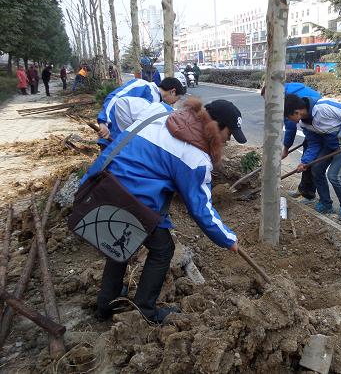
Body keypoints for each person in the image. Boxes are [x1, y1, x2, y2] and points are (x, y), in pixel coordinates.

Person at [81, 97, 247, 323]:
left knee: (123, 239)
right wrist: (228, 239)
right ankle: (146, 311)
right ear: (216, 126)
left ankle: (106, 303)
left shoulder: (160, 111)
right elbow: (201, 209)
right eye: (229, 134)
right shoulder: (194, 157)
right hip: (131, 196)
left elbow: (123, 106)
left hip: (101, 182)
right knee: (163, 249)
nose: (228, 141)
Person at [285, 95, 341, 221]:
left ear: (296, 112)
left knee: (334, 175)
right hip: (329, 144)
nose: (290, 121)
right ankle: (326, 204)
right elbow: (314, 143)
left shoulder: (323, 108)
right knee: (316, 169)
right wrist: (305, 162)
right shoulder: (304, 124)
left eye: (289, 117)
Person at [96, 77, 184, 150]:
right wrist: (103, 122)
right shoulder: (144, 85)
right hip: (110, 135)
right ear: (173, 92)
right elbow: (115, 97)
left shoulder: (158, 104)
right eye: (178, 98)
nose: (175, 102)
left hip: (123, 145)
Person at [280, 83, 322, 203]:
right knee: (306, 156)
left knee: (310, 160)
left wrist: (286, 149)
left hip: (318, 124)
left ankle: (309, 195)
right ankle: (302, 189)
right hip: (311, 124)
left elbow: (290, 127)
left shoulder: (288, 102)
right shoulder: (286, 89)